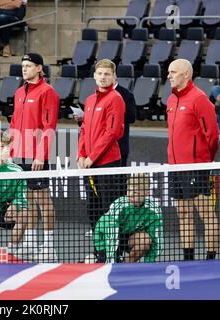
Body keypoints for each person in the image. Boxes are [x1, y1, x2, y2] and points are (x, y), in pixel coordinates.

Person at [166, 59, 220, 261]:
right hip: (175, 167)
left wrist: (205, 160)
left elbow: (213, 135)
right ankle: (188, 259)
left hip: (196, 167)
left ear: (186, 74)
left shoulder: (199, 99)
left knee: (206, 215)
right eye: (169, 72)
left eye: (173, 72)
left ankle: (210, 259)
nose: (169, 76)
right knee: (184, 214)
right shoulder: (171, 100)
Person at [9, 53, 59, 262]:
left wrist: (40, 156)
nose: (24, 69)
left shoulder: (48, 92)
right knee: (28, 202)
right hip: (19, 155)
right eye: (23, 66)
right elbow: (13, 124)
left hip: (36, 156)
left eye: (29, 66)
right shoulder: (19, 92)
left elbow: (49, 127)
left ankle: (49, 246)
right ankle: (29, 242)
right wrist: (11, 152)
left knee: (43, 202)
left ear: (39, 68)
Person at [77, 59, 125, 239]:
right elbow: (84, 129)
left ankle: (115, 251)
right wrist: (81, 154)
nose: (103, 77)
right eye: (100, 74)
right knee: (93, 207)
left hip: (107, 164)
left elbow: (112, 133)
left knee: (109, 209)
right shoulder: (90, 100)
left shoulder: (116, 99)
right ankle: (100, 250)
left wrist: (92, 158)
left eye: (107, 74)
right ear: (94, 76)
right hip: (89, 164)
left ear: (114, 76)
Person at [93, 173, 164, 263]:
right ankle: (97, 258)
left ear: (146, 193)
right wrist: (112, 264)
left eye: (135, 192)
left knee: (145, 239)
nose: (130, 195)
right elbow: (111, 237)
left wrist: (149, 265)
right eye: (128, 190)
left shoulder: (154, 211)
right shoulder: (118, 206)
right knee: (103, 267)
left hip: (128, 236)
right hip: (105, 236)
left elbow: (156, 242)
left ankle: (126, 265)